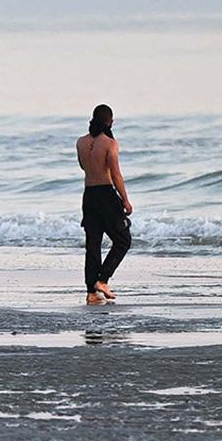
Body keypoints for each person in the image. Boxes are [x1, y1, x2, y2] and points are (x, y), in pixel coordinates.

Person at [77, 104, 132, 305]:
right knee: (123, 240)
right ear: (111, 122)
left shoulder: (80, 142)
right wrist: (125, 199)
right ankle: (103, 280)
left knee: (93, 244)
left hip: (89, 196)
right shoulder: (110, 144)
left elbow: (84, 166)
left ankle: (91, 291)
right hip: (106, 195)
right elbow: (115, 174)